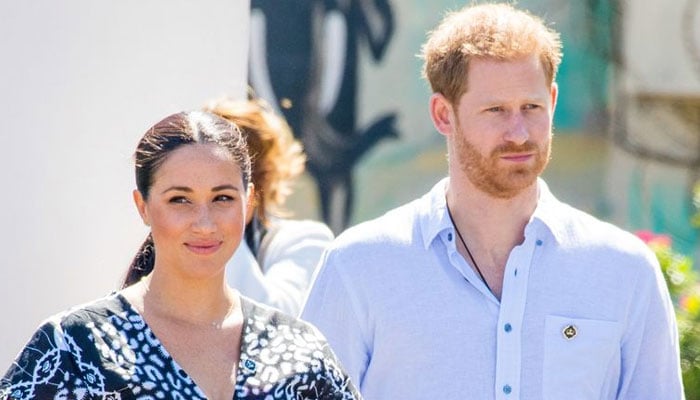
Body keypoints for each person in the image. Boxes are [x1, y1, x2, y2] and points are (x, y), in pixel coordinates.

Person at [301, 3, 683, 399]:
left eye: (531, 107)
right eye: (496, 110)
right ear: (443, 114)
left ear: (552, 101)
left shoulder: (624, 271)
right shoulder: (359, 266)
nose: (519, 133)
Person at [1, 111, 361, 400]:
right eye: (180, 200)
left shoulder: (298, 350)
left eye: (222, 198)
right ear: (143, 206)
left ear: (249, 203)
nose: (204, 223)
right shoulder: (75, 347)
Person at [204, 97, 334, 316]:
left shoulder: (306, 240)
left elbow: (278, 317)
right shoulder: (178, 232)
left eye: (223, 191)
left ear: (257, 181)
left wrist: (226, 224)